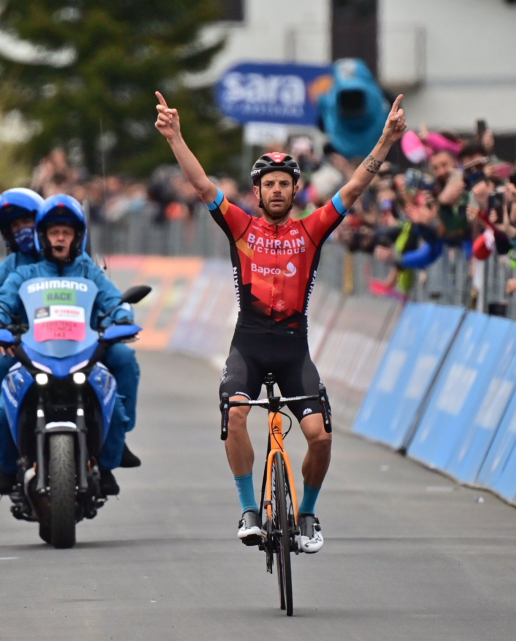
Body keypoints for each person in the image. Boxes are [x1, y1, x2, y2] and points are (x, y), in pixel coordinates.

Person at [154, 89, 407, 552]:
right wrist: (175, 137)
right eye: (268, 184)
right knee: (235, 417)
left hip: (293, 350)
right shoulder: (240, 227)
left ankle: (307, 514)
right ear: (257, 192)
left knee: (321, 438)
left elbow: (353, 189)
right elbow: (203, 187)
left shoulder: (310, 230)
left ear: (295, 191)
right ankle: (249, 508)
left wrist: (386, 142)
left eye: (283, 184)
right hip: (248, 347)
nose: (275, 190)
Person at [0, 195, 141, 496]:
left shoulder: (90, 270)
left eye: (66, 232)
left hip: (86, 347)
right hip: (35, 350)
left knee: (123, 360)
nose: (60, 238)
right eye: (54, 232)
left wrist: (122, 317)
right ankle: (4, 464)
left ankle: (112, 456)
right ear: (43, 236)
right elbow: (1, 303)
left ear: (78, 237)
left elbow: (113, 300)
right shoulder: (23, 272)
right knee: (2, 392)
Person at [0, 188, 45, 479]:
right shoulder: (6, 270)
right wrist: (0, 328)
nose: (22, 230)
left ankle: (106, 453)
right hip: (20, 347)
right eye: (15, 226)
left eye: (26, 221)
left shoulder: (68, 259)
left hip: (68, 343)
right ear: (7, 234)